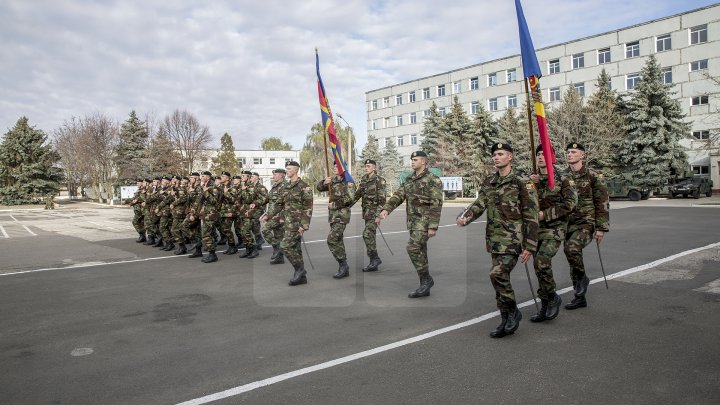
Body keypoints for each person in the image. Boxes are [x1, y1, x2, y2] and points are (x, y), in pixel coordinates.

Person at [457, 143, 539, 338]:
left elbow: (532, 214)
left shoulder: (522, 181)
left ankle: (512, 312)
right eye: (494, 154)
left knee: (497, 274)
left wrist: (530, 245)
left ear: (510, 157)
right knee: (500, 281)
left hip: (513, 240)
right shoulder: (490, 181)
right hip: (494, 240)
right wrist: (466, 217)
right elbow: (479, 204)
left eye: (501, 154)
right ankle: (505, 318)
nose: (496, 157)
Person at [376, 151, 443, 298]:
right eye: (411, 159)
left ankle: (427, 280)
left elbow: (436, 204)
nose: (412, 162)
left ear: (424, 161)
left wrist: (433, 226)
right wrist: (386, 209)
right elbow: (399, 195)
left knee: (412, 247)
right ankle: (424, 285)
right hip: (413, 222)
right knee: (421, 252)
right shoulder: (409, 179)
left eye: (415, 159)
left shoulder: (433, 179)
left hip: (424, 222)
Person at [528, 145, 577, 322]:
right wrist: (531, 184)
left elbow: (571, 203)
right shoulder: (531, 178)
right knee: (538, 267)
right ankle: (546, 301)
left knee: (542, 261)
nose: (541, 157)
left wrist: (545, 214)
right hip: (535, 230)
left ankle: (551, 298)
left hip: (554, 228)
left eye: (544, 154)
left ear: (552, 157)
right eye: (538, 154)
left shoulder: (563, 177)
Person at [563, 142, 610, 310]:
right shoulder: (562, 176)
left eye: (574, 152)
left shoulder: (593, 176)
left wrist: (601, 228)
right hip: (567, 224)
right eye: (568, 152)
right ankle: (579, 296)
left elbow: (602, 202)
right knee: (572, 257)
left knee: (572, 249)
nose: (569, 154)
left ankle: (582, 279)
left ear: (582, 155)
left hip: (586, 223)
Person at [316, 165, 355, 279]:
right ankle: (344, 267)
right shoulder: (332, 180)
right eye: (333, 166)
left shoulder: (348, 181)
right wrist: (324, 182)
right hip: (332, 216)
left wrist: (334, 204)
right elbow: (319, 188)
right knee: (338, 240)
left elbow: (350, 198)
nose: (334, 168)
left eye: (337, 166)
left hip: (342, 215)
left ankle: (343, 264)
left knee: (331, 239)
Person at [280, 161, 313, 286]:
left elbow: (308, 207)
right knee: (296, 249)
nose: (287, 171)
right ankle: (301, 277)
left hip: (297, 224)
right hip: (287, 223)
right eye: (286, 168)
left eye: (289, 169)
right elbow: (283, 204)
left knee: (285, 246)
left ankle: (300, 269)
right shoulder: (286, 186)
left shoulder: (304, 186)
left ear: (296, 170)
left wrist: (303, 225)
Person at [353, 159, 386, 272]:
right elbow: (357, 195)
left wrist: (378, 216)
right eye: (365, 166)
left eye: (369, 166)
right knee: (370, 236)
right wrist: (345, 205)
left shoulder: (379, 180)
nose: (366, 168)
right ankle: (374, 262)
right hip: (366, 214)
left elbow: (382, 200)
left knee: (367, 235)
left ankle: (375, 259)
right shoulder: (363, 180)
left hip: (374, 214)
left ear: (374, 168)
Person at [261, 168, 287, 264]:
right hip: (273, 214)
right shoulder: (275, 186)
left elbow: (285, 204)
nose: (273, 176)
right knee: (278, 236)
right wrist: (255, 203)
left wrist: (281, 217)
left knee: (265, 230)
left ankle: (277, 248)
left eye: (275, 174)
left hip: (279, 216)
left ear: (282, 175)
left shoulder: (285, 186)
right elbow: (268, 199)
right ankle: (280, 258)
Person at [197, 171, 223, 263]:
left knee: (206, 233)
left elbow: (214, 201)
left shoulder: (213, 187)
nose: (201, 177)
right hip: (205, 213)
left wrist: (205, 192)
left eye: (203, 176)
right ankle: (211, 253)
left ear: (208, 177)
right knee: (208, 233)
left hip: (211, 214)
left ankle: (212, 254)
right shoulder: (204, 185)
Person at [237, 170, 259, 259]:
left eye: (243, 176)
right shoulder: (243, 186)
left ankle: (254, 250)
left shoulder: (251, 186)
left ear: (248, 177)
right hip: (242, 212)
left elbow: (248, 199)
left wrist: (243, 190)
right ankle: (247, 249)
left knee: (246, 231)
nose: (241, 177)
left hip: (249, 213)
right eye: (241, 175)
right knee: (242, 232)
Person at [218, 172, 239, 255]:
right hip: (222, 212)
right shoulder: (221, 187)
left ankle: (232, 247)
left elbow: (234, 200)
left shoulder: (232, 187)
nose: (221, 177)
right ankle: (231, 246)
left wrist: (226, 193)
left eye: (223, 176)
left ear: (227, 178)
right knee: (224, 229)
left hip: (229, 212)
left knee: (227, 229)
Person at [250, 172, 269, 252]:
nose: (251, 178)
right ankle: (259, 241)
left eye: (253, 176)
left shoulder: (261, 187)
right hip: (252, 209)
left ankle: (259, 241)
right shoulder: (251, 187)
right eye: (251, 176)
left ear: (257, 178)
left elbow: (265, 198)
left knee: (255, 225)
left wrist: (256, 203)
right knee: (253, 226)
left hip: (259, 209)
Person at [171, 176, 190, 255]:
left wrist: (173, 203)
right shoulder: (177, 188)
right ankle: (182, 246)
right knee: (179, 229)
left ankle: (184, 246)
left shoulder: (182, 189)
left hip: (180, 211)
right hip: (177, 211)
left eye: (183, 180)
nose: (173, 180)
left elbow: (183, 199)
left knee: (175, 229)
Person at [128, 178, 146, 243]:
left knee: (135, 222)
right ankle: (143, 236)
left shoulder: (144, 190)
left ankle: (142, 235)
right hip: (137, 209)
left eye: (138, 183)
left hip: (141, 209)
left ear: (142, 183)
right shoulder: (139, 190)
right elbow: (134, 199)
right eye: (137, 183)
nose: (137, 184)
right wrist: (130, 202)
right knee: (141, 223)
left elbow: (142, 198)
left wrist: (136, 200)